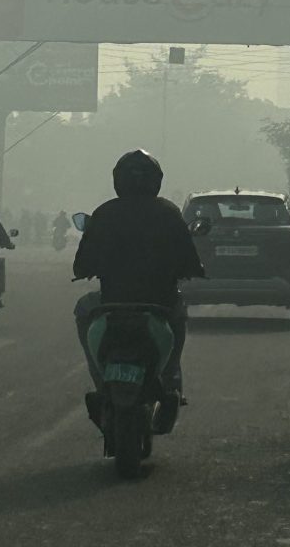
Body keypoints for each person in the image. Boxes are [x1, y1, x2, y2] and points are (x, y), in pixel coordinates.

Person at [73, 150, 205, 418]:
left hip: (112, 302)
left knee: (82, 310)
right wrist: (194, 270)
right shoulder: (169, 212)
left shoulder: (104, 212)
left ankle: (99, 378)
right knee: (179, 316)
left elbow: (81, 265)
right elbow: (190, 260)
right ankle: (171, 376)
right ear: (155, 180)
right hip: (161, 302)